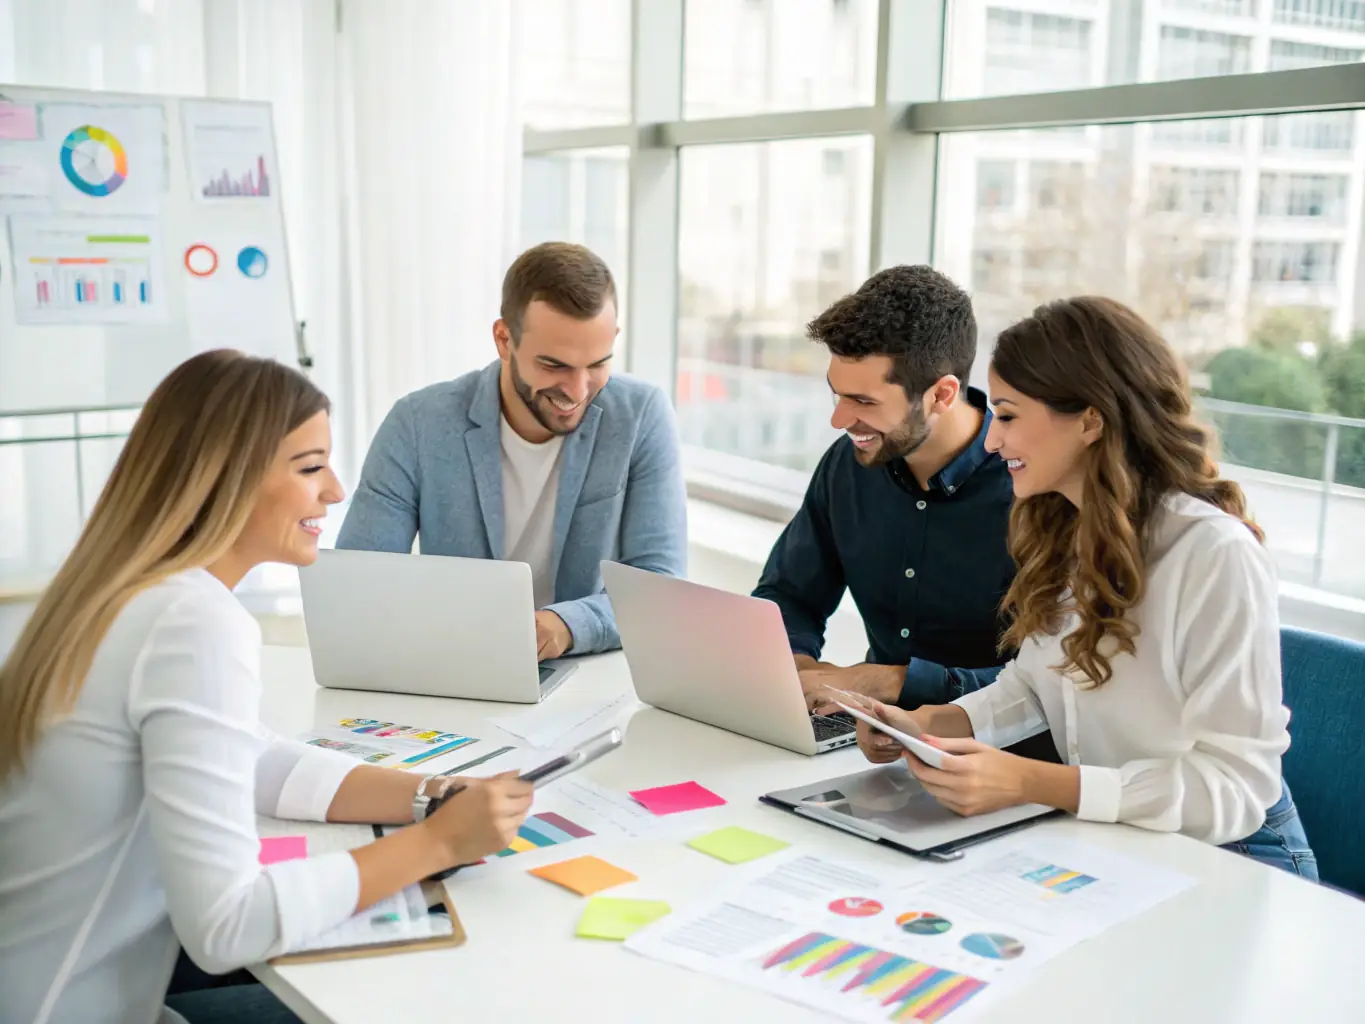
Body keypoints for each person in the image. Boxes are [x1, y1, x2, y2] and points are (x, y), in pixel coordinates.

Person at [0, 351, 536, 1024]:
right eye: (310, 467)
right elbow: (226, 924)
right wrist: (437, 846)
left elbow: (250, 757)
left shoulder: (117, 592)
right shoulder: (190, 622)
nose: (335, 490)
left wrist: (428, 797)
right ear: (224, 478)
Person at [838, 296, 1318, 879]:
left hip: (1233, 854)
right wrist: (932, 724)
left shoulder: (1214, 555)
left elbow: (1234, 789)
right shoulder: (1065, 526)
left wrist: (1032, 782)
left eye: (1009, 417)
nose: (991, 442)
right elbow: (1038, 688)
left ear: (1091, 420)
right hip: (1116, 838)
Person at [336, 241, 687, 660]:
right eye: (554, 365)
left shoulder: (641, 416)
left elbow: (662, 590)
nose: (578, 391)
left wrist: (568, 625)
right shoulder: (418, 423)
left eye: (597, 363)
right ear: (504, 340)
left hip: (586, 675)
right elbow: (355, 585)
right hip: (456, 666)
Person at [753, 265, 1016, 710]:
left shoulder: (1028, 489)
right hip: (870, 737)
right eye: (837, 394)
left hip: (997, 756)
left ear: (942, 395)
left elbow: (1052, 688)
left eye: (864, 402)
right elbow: (788, 595)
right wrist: (794, 668)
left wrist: (896, 683)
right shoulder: (847, 464)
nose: (839, 420)